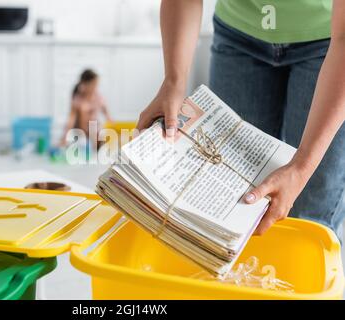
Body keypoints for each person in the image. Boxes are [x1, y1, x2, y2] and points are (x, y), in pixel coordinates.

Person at [137, 0, 345, 238]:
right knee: (231, 205)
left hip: (329, 39)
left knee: (311, 211)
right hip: (239, 36)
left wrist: (301, 168)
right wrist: (173, 82)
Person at [60, 69, 112, 150]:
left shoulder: (98, 97)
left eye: (96, 85)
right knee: (82, 145)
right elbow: (71, 120)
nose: (95, 87)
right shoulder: (78, 99)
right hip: (82, 134)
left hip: (94, 133)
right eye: (94, 84)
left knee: (103, 136)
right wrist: (64, 137)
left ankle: (96, 147)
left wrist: (112, 123)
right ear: (85, 84)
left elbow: (106, 112)